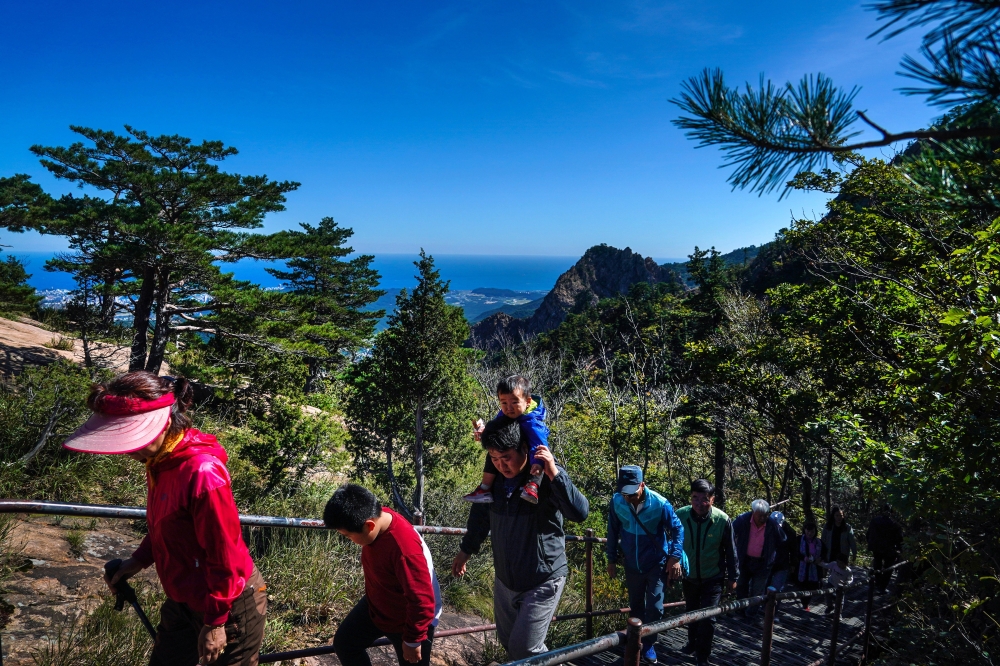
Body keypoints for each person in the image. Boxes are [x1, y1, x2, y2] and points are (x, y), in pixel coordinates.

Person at [63, 372, 266, 666]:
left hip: (228, 603)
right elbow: (169, 524)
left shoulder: (202, 473)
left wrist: (216, 622)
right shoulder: (160, 460)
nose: (130, 450)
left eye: (133, 437)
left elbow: (225, 555)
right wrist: (140, 559)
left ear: (166, 422)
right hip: (183, 596)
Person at [452, 420, 589, 659]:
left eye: (506, 457)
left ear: (525, 448)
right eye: (494, 458)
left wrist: (554, 472)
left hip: (542, 578)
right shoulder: (494, 483)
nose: (501, 465)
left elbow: (579, 512)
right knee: (508, 642)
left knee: (525, 649)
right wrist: (466, 550)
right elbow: (481, 517)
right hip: (506, 579)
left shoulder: (544, 478)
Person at [326, 484, 442, 666]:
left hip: (408, 620)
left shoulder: (404, 549)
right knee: (345, 644)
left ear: (369, 526)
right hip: (377, 604)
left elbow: (422, 600)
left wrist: (413, 639)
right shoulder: (380, 516)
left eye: (348, 536)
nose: (348, 540)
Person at [606, 466, 685, 664]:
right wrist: (611, 559)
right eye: (624, 493)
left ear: (642, 485)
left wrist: (674, 557)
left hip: (655, 563)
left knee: (655, 607)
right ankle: (636, 642)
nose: (627, 498)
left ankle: (649, 643)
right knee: (636, 606)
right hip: (632, 564)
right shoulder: (617, 501)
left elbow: (677, 528)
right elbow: (613, 530)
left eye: (631, 493)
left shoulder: (659, 503)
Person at [675, 479, 738, 666]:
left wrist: (734, 578)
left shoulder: (722, 520)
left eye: (704, 499)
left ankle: (703, 656)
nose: (699, 503)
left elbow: (731, 550)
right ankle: (692, 643)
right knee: (691, 613)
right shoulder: (680, 516)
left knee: (708, 618)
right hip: (690, 576)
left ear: (712, 499)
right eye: (695, 498)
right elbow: (670, 542)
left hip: (713, 577)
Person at [463, 375, 548, 504]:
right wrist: (484, 433)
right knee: (494, 452)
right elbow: (497, 432)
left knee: (537, 456)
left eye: (514, 402)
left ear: (528, 402)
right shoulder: (504, 414)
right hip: (511, 451)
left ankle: (532, 486)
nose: (509, 407)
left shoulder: (533, 423)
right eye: (504, 403)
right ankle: (484, 488)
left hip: (530, 458)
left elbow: (540, 447)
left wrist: (538, 464)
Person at [732, 500, 786, 619]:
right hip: (744, 560)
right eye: (760, 515)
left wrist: (774, 556)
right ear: (753, 512)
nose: (763, 518)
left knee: (757, 590)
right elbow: (730, 533)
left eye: (765, 515)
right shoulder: (743, 520)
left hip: (763, 563)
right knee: (741, 586)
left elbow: (783, 540)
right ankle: (740, 612)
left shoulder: (772, 524)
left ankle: (751, 614)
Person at [866, 506, 903, 593]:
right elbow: (899, 539)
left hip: (877, 548)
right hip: (890, 549)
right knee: (888, 568)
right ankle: (882, 586)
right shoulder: (895, 524)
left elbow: (869, 534)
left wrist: (871, 544)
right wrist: (899, 549)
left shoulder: (875, 521)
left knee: (877, 565)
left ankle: (878, 583)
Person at [796, 521, 825, 610]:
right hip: (801, 567)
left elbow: (824, 552)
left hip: (814, 568)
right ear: (804, 530)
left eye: (812, 531)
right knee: (801, 586)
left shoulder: (819, 542)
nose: (809, 533)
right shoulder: (799, 539)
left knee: (812, 587)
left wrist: (819, 558)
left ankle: (806, 604)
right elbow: (795, 552)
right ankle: (804, 603)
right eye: (808, 531)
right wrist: (804, 558)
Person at [768, 512, 797, 594]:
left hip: (782, 564)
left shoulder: (790, 533)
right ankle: (763, 606)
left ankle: (775, 606)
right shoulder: (765, 528)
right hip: (767, 563)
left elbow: (793, 549)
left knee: (777, 589)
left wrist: (793, 564)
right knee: (763, 588)